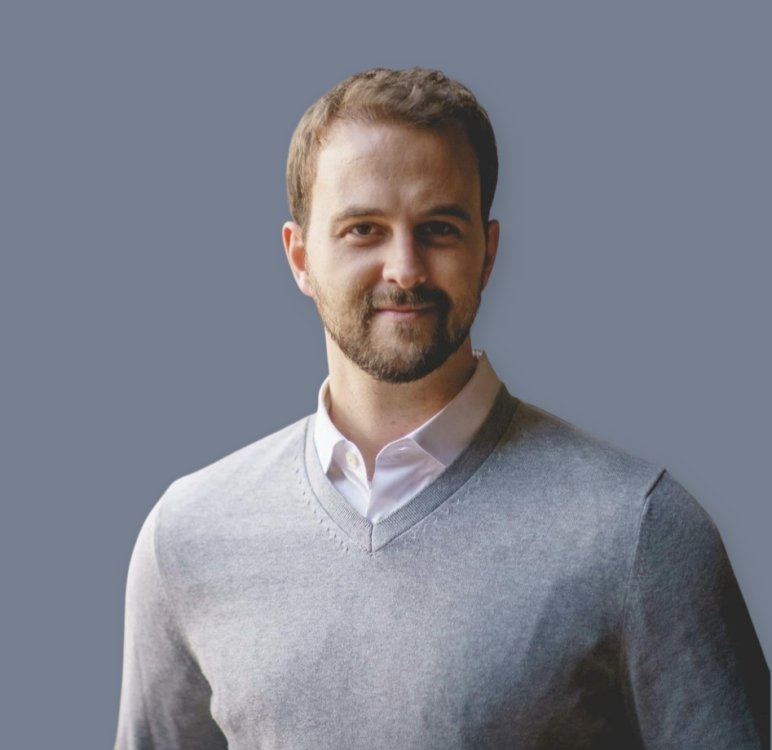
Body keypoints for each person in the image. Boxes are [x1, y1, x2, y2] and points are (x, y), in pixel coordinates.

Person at [114, 68, 769, 749]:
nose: (405, 268)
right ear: (300, 257)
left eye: (439, 228)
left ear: (487, 252)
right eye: (364, 229)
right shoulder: (189, 536)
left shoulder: (638, 531)